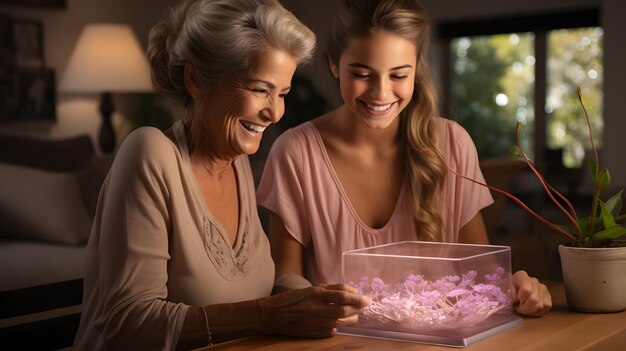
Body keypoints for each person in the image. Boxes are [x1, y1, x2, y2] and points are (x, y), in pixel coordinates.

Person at [72, 0, 369, 349]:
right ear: (196, 80)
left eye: (282, 93)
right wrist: (271, 313)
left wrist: (312, 299)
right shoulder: (148, 153)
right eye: (260, 89)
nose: (274, 112)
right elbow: (129, 322)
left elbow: (255, 293)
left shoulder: (236, 159)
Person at [257, 0, 552, 317]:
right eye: (362, 74)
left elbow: (481, 272)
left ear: (416, 68)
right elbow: (285, 279)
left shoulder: (451, 144)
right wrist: (314, 306)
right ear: (333, 65)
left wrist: (518, 285)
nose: (381, 94)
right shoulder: (295, 152)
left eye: (398, 75)